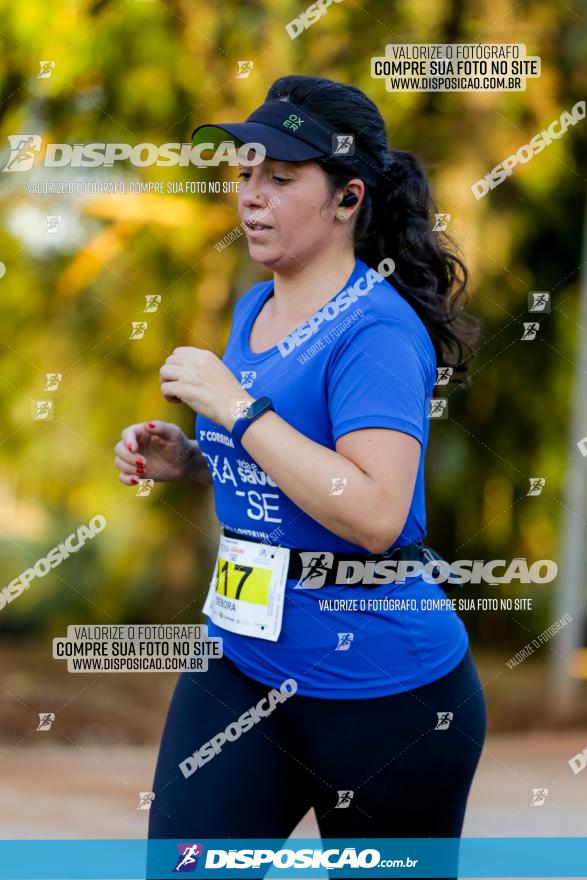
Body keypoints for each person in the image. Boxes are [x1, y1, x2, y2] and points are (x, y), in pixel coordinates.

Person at [114, 75, 486, 878]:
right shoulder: (253, 307)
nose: (251, 196)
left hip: (386, 697)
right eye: (246, 174)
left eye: (280, 180)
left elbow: (378, 512)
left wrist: (239, 411)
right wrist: (192, 454)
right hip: (243, 662)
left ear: (347, 200)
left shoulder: (378, 332)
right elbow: (284, 461)